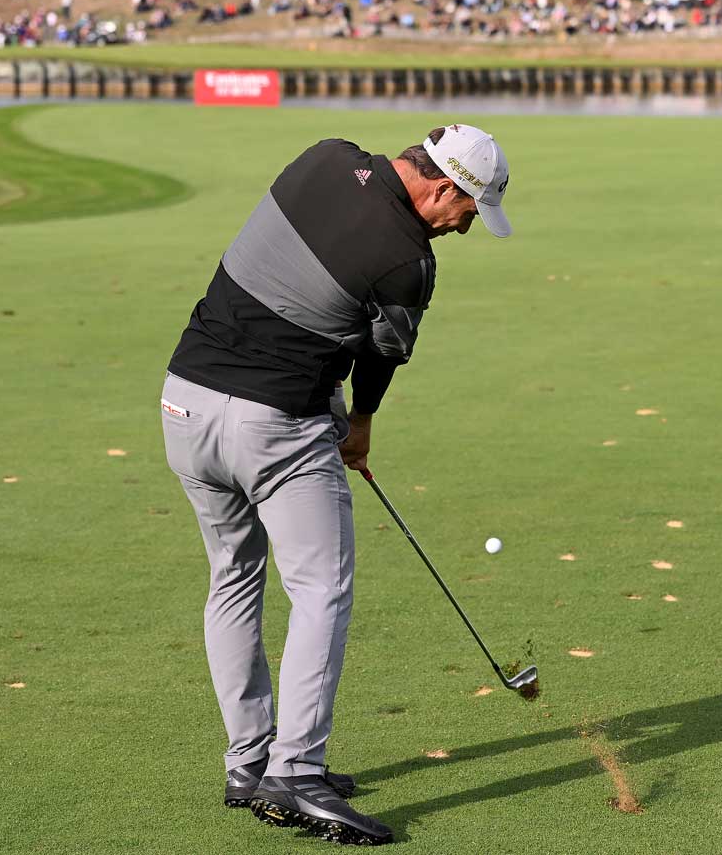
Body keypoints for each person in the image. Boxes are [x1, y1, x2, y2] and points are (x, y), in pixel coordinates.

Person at [159, 125, 514, 847]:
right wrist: (359, 425)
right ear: (443, 187)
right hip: (272, 427)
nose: (466, 226)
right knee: (321, 590)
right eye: (469, 210)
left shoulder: (324, 155)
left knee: (232, 578)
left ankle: (249, 762)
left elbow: (299, 292)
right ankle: (295, 772)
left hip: (183, 403)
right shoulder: (409, 262)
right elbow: (379, 357)